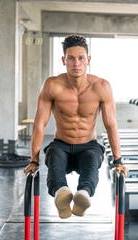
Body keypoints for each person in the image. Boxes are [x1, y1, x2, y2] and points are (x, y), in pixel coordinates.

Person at [24, 34, 128, 219]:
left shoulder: (101, 86)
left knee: (92, 158)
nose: (76, 63)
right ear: (64, 60)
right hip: (61, 143)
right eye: (71, 58)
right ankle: (61, 194)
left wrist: (118, 161)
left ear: (88, 60)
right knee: (53, 154)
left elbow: (111, 125)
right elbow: (40, 124)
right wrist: (33, 160)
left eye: (81, 58)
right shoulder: (52, 85)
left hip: (88, 144)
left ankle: (83, 195)